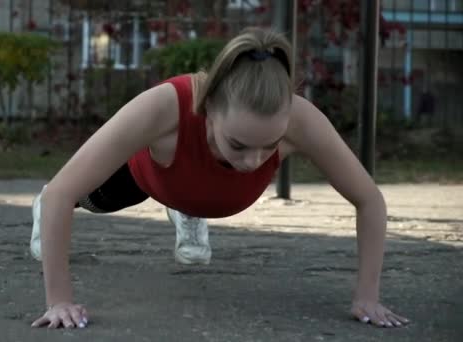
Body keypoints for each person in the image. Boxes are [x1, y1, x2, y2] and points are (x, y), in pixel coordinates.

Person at [29, 27, 410, 330]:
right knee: (82, 199)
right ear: (208, 107)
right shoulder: (165, 106)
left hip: (202, 192)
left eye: (269, 146)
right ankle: (44, 208)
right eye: (239, 144)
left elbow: (369, 199)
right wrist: (59, 299)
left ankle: (186, 209)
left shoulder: (302, 120)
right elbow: (64, 190)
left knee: (203, 190)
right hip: (146, 180)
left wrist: (367, 296)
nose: (253, 161)